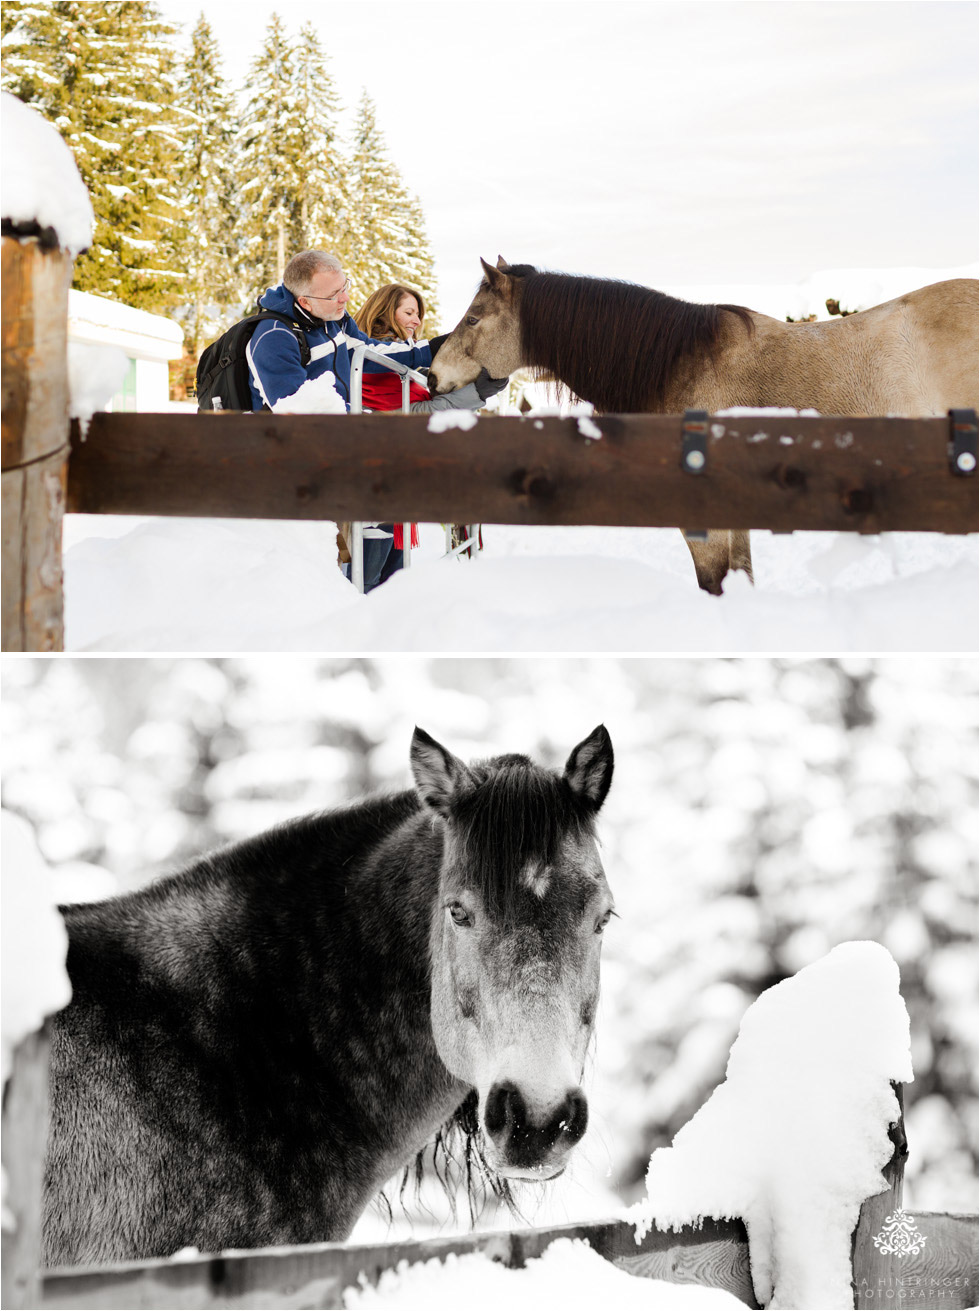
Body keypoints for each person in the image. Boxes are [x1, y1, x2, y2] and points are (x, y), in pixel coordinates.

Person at [247, 252, 506, 593]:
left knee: (380, 574)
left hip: (348, 460)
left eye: (345, 286)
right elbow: (300, 416)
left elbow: (377, 354)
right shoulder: (273, 338)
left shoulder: (336, 321)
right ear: (304, 301)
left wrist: (448, 345)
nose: (346, 297)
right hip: (297, 477)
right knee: (331, 579)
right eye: (334, 294)